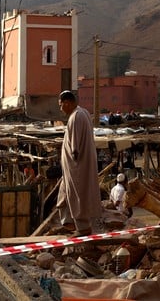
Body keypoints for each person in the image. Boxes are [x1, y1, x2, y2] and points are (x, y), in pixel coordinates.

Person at [56, 90, 102, 236]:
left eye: (60, 105)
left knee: (78, 196)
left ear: (67, 103)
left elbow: (75, 146)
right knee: (64, 194)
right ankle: (68, 223)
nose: (60, 108)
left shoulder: (76, 116)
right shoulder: (83, 114)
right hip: (72, 168)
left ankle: (83, 228)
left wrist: (75, 165)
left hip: (77, 167)